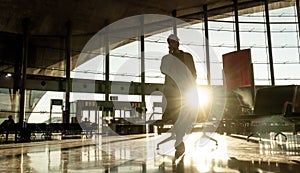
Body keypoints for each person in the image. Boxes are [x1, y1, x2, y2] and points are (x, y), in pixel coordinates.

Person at [159, 34, 198, 163]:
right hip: (172, 91)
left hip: (184, 90)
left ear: (178, 43)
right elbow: (163, 70)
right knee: (175, 116)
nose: (172, 44)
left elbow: (193, 73)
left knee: (183, 114)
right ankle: (179, 140)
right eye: (170, 42)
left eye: (174, 42)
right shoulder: (166, 58)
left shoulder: (187, 56)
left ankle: (180, 139)